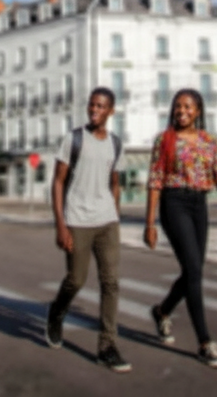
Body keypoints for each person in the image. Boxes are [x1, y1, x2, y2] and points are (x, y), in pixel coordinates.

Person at [144, 89, 217, 369]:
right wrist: (150, 223)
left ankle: (162, 311)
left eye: (188, 107)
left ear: (198, 111)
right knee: (193, 270)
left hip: (199, 205)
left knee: (193, 271)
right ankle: (205, 342)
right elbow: (155, 181)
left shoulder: (208, 141)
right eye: (178, 106)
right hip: (174, 203)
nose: (181, 111)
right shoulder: (165, 140)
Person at [45, 87, 131, 373]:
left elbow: (115, 183)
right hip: (78, 220)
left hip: (107, 222)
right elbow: (58, 182)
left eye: (101, 106)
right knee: (76, 280)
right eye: (92, 105)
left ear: (111, 111)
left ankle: (107, 347)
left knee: (111, 283)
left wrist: (114, 213)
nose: (94, 110)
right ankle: (57, 312)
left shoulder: (115, 143)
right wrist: (61, 224)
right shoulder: (74, 139)